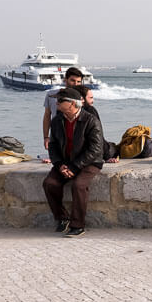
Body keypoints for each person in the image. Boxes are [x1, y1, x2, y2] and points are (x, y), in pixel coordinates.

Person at [43, 87, 104, 237]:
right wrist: (59, 164)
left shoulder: (90, 120)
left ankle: (78, 225)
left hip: (88, 162)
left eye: (60, 101)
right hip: (65, 162)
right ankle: (62, 218)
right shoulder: (57, 120)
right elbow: (53, 145)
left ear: (72, 104)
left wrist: (75, 166)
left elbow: (95, 149)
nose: (56, 103)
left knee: (79, 185)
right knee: (50, 183)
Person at [42, 66, 84, 162]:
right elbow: (47, 116)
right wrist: (46, 137)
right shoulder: (51, 95)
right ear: (65, 80)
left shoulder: (81, 98)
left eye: (78, 82)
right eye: (73, 81)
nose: (75, 84)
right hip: (56, 134)